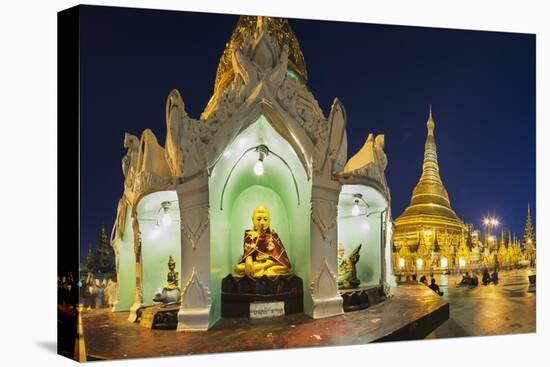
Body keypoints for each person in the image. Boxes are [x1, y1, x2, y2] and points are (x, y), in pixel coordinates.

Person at [233, 205, 293, 278]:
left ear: (270, 220)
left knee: (285, 268)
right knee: (238, 268)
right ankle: (265, 269)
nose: (262, 222)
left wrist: (268, 263)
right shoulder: (250, 235)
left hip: (271, 263)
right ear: (253, 220)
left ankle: (265, 269)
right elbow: (248, 253)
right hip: (256, 263)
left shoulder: (273, 235)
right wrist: (248, 260)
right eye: (258, 219)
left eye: (265, 219)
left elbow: (281, 257)